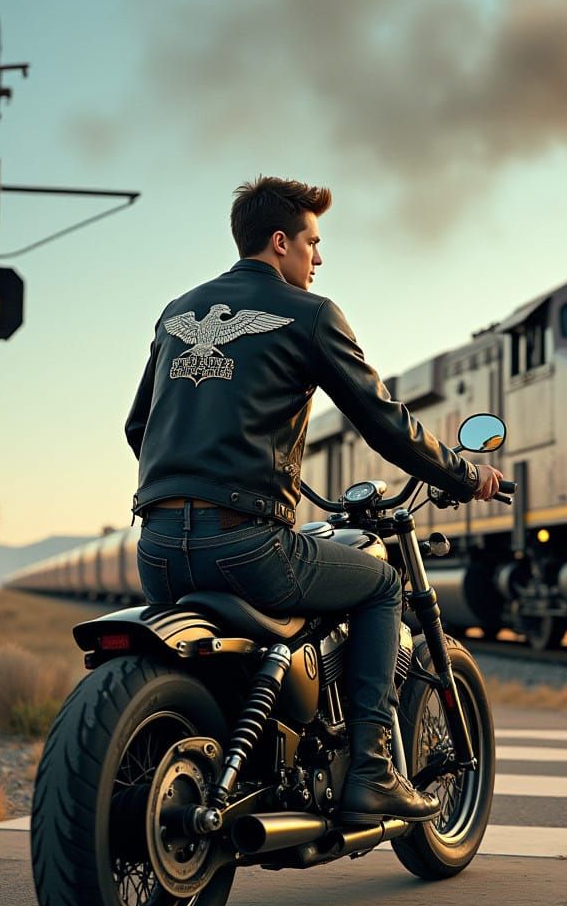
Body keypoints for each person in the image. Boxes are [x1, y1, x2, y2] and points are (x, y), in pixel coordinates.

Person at [125, 176, 502, 824]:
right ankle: (372, 770)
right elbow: (384, 422)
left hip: (157, 548)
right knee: (381, 584)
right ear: (281, 243)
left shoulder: (176, 313)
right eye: (313, 242)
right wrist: (464, 475)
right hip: (247, 546)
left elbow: (139, 426)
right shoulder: (311, 314)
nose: (318, 259)